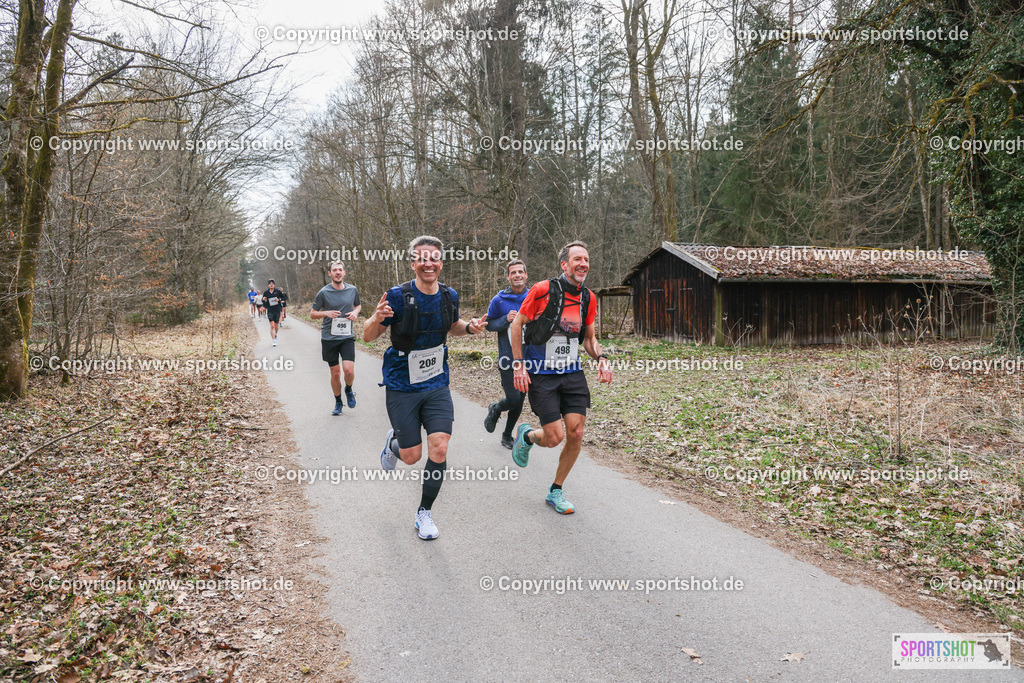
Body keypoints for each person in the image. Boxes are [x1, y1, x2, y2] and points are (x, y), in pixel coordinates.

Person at [362, 235, 487, 540]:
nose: (428, 263)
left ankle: (424, 513)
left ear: (441, 263)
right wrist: (377, 318)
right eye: (422, 258)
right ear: (413, 263)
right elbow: (367, 336)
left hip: (436, 383)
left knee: (440, 447)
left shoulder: (449, 296)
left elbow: (451, 327)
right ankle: (394, 443)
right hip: (402, 385)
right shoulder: (396, 296)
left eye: (434, 258)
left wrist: (469, 328)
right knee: (410, 457)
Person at [508, 241, 613, 515]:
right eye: (577, 259)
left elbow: (589, 339)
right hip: (542, 375)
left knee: (576, 433)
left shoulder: (588, 298)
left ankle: (556, 490)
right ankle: (528, 436)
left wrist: (601, 359)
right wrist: (519, 365)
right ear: (564, 264)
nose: (583, 264)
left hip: (572, 372)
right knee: (554, 437)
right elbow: (517, 324)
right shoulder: (543, 290)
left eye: (587, 259)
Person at [483, 259, 529, 449]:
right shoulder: (499, 300)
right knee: (513, 399)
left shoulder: (534, 297)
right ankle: (496, 408)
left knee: (520, 401)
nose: (517, 275)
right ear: (508, 277)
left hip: (530, 360)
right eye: (513, 272)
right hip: (507, 358)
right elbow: (489, 325)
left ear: (526, 275)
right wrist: (505, 319)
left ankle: (506, 435)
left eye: (520, 272)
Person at [310, 261, 361, 415]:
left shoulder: (352, 290)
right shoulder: (324, 292)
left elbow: (358, 305)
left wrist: (355, 313)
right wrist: (326, 313)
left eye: (340, 270)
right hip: (329, 338)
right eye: (334, 270)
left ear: (344, 272)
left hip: (346, 337)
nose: (338, 272)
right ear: (330, 274)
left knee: (348, 371)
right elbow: (312, 314)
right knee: (336, 373)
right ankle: (338, 402)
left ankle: (349, 389)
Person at [261, 280, 286, 346]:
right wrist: (263, 300)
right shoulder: (266, 292)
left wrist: (279, 300)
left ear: (274, 285)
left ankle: (275, 334)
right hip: (270, 310)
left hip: (277, 310)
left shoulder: (278, 291)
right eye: (270, 284)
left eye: (272, 284)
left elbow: (284, 298)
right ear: (268, 285)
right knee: (272, 325)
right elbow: (263, 301)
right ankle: (274, 340)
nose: (271, 285)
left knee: (276, 325)